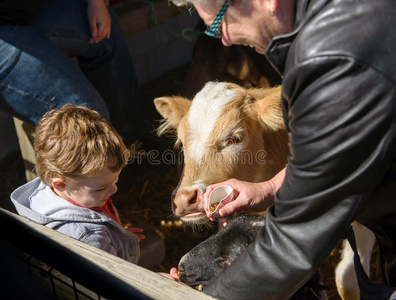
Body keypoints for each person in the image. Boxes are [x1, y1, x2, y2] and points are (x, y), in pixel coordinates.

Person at [167, 0, 396, 299]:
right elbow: (335, 154)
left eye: (218, 21)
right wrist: (270, 187)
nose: (224, 39)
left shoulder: (334, 62)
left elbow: (294, 241)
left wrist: (205, 295)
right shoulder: (342, 21)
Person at [10, 105, 144, 263]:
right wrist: (156, 280)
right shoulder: (90, 238)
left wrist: (119, 238)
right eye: (101, 188)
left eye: (115, 180)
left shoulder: (66, 192)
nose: (114, 189)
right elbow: (119, 282)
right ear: (60, 184)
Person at [0, 0, 144, 145]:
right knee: (85, 115)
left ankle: (124, 144)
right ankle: (102, 158)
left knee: (105, 32)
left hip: (25, 11)